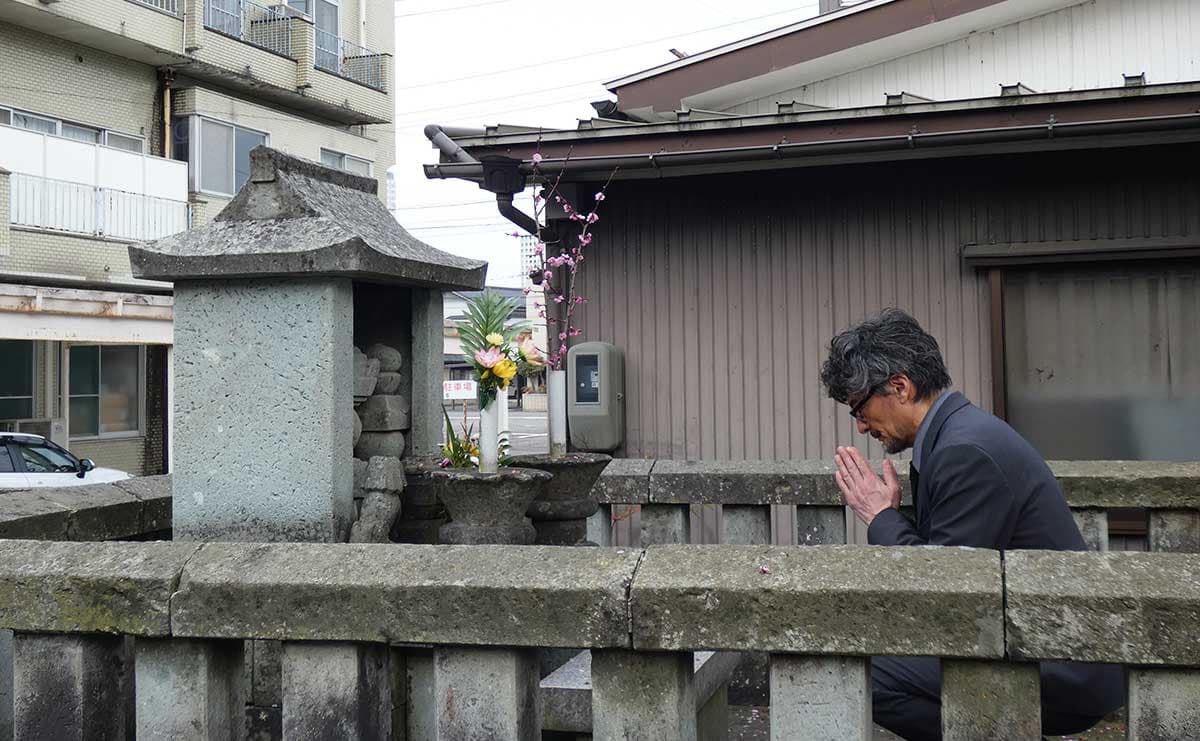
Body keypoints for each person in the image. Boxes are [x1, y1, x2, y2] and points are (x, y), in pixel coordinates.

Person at [820, 308, 1124, 741]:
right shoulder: (956, 435)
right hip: (1035, 636)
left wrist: (881, 518)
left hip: (1062, 659)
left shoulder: (965, 451)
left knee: (860, 669)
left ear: (900, 387)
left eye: (860, 409)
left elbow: (944, 595)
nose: (862, 425)